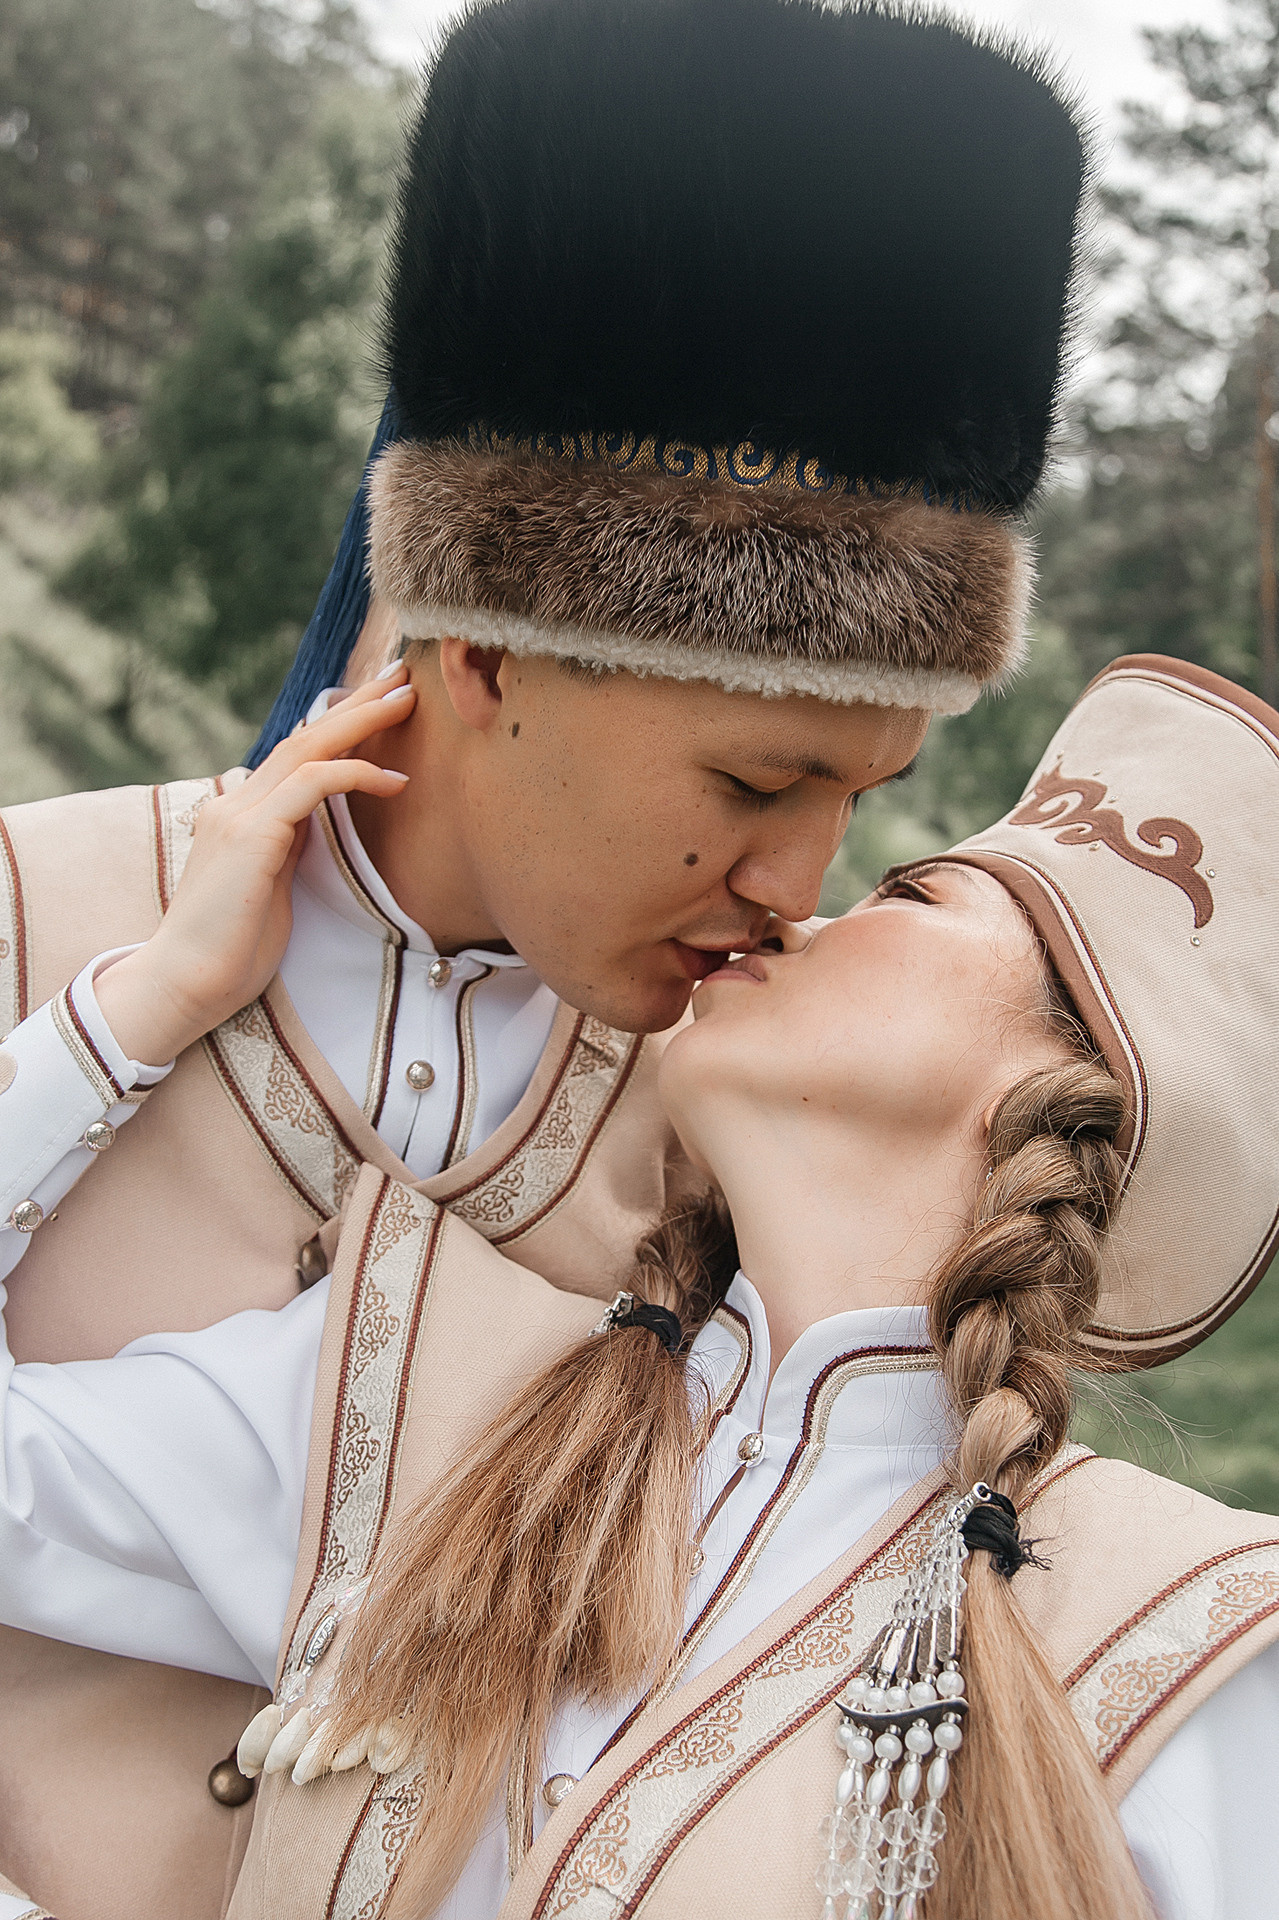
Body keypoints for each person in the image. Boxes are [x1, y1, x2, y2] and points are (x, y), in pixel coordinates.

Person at [0, 0, 1086, 1912]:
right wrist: (125, 1029)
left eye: (865, 792)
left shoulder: (741, 1120)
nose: (797, 880)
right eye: (757, 777)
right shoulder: (40, 912)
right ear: (486, 652)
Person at [3, 651, 1278, 1920]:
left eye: (907, 895)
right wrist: (139, 1009)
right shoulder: (412, 1375)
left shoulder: (1194, 1637)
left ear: (1047, 1090)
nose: (795, 907)